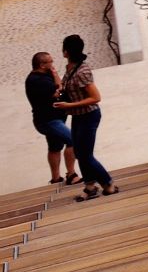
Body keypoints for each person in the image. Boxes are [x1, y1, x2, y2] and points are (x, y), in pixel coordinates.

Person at [51, 35, 114, 200]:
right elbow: (68, 86)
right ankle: (90, 186)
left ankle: (108, 184)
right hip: (78, 116)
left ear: (66, 51)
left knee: (85, 155)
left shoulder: (82, 71)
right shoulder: (71, 68)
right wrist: (60, 89)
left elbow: (95, 97)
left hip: (89, 115)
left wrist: (69, 105)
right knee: (80, 153)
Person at [25, 51, 78, 186]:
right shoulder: (36, 80)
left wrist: (55, 77)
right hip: (48, 120)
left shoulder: (45, 75)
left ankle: (55, 179)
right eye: (50, 62)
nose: (53, 64)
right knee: (73, 140)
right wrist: (58, 83)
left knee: (55, 147)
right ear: (42, 65)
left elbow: (60, 87)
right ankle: (71, 174)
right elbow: (58, 93)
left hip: (54, 118)